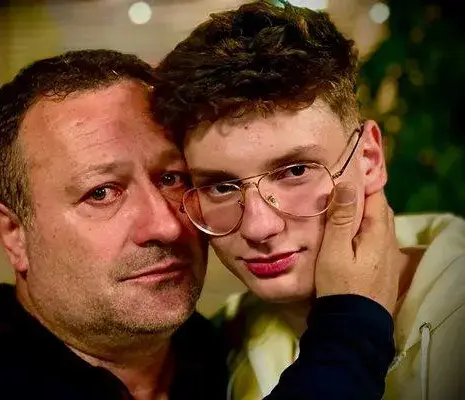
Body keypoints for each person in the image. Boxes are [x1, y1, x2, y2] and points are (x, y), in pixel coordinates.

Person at [0, 49, 398, 399]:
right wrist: (350, 331)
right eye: (101, 193)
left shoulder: (229, 352)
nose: (165, 226)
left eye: (172, 178)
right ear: (13, 233)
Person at [151, 2, 465, 400]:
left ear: (369, 159)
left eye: (296, 170)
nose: (259, 227)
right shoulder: (214, 347)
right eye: (222, 187)